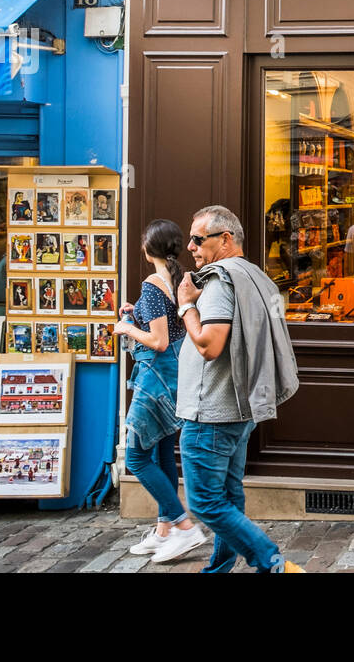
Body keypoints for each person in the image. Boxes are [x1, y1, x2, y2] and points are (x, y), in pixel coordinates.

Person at [175, 206, 303, 573]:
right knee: (229, 496)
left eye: (199, 239)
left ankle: (272, 562)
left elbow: (209, 345)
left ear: (225, 239)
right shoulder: (256, 276)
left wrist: (186, 306)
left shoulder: (219, 280)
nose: (191, 247)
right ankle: (218, 569)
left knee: (205, 503)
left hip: (210, 411)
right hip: (238, 407)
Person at [114, 219, 208, 561]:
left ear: (147, 248)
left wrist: (125, 326)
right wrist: (135, 313)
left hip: (154, 379)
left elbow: (158, 339)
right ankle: (164, 529)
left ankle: (185, 527)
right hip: (176, 376)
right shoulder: (179, 279)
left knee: (138, 456)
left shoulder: (153, 284)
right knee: (163, 454)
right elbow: (169, 325)